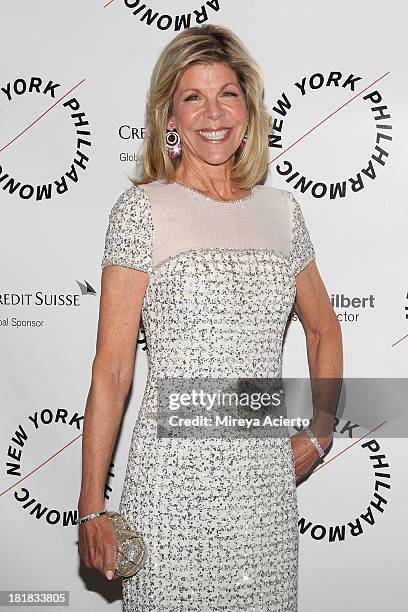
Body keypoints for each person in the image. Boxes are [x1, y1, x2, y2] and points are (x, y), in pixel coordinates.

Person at [77, 24, 343, 611]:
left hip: (264, 492)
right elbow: (114, 368)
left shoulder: (284, 213)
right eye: (192, 96)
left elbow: (324, 326)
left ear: (248, 108)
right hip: (171, 488)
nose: (212, 112)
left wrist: (321, 429)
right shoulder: (141, 211)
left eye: (226, 93)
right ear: (168, 115)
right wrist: (93, 504)